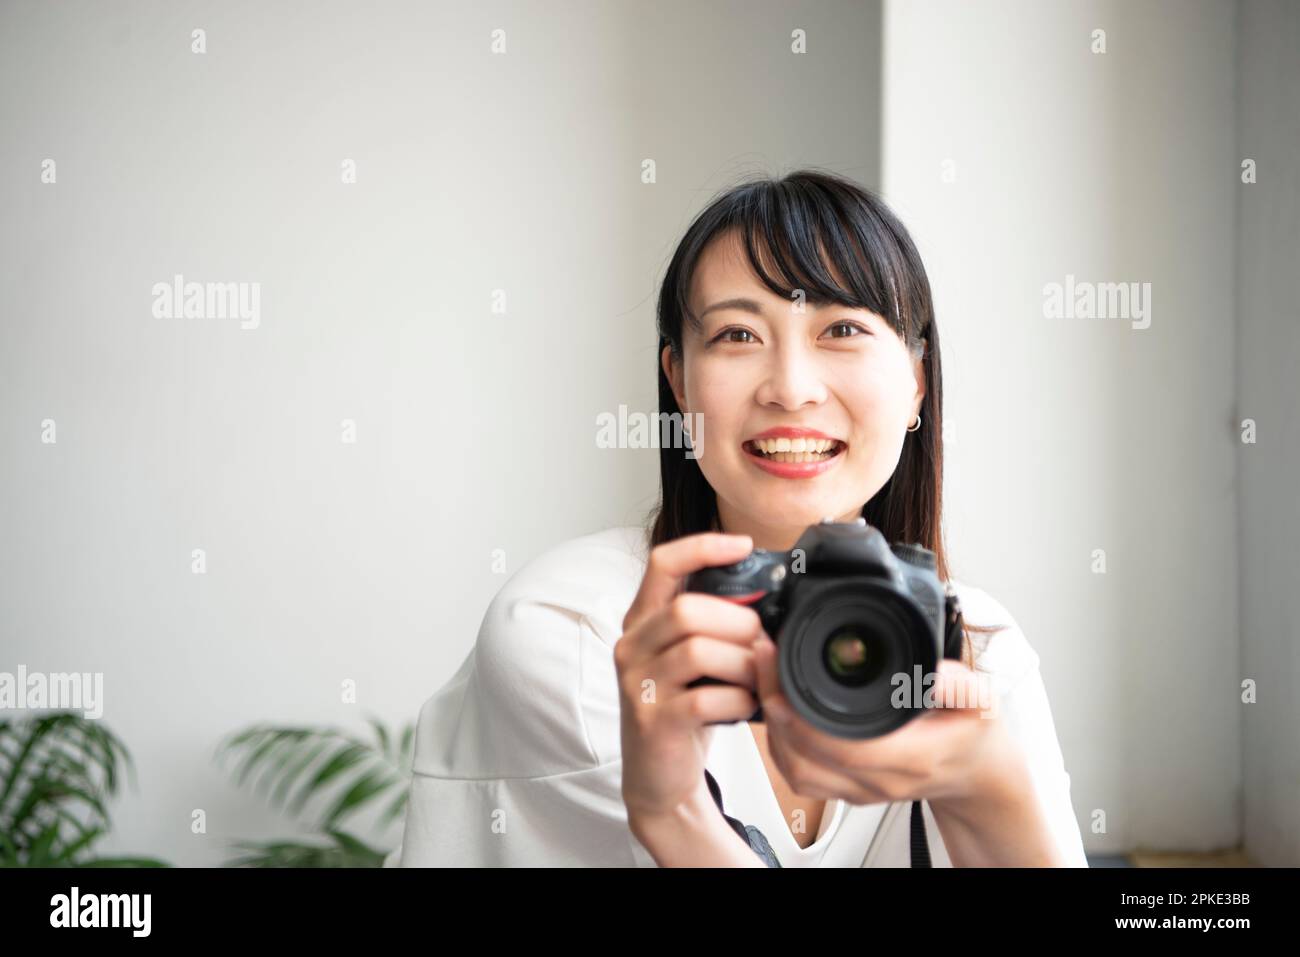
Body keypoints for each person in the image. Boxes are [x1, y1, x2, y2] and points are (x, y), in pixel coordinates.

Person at [387, 169, 1089, 867]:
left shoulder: (983, 655)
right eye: (736, 335)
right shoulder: (579, 633)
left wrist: (993, 787)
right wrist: (672, 813)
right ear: (679, 382)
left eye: (841, 327)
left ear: (916, 384)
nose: (790, 388)